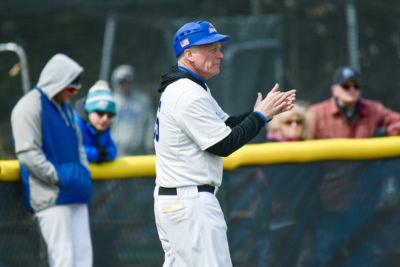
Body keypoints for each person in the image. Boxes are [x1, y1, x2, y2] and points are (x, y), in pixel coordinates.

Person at [153, 20, 296, 267]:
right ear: (189, 54)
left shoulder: (192, 87)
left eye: (219, 48)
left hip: (181, 202)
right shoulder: (187, 93)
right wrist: (260, 116)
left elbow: (227, 124)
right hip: (189, 204)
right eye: (212, 49)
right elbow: (223, 144)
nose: (220, 54)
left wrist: (262, 113)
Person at [10, 53, 93, 267]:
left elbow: (79, 147)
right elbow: (28, 153)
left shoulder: (66, 109)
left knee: (84, 258)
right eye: (70, 88)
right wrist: (57, 178)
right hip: (51, 196)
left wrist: (82, 174)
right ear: (58, 82)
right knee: (63, 259)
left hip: (75, 192)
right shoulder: (28, 107)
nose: (73, 93)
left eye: (76, 89)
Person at [307, 66, 400, 138]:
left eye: (356, 86)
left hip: (367, 162)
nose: (352, 89)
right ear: (334, 90)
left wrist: (387, 132)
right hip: (330, 162)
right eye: (346, 86)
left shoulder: (374, 109)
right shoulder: (317, 113)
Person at [110, 64, 155, 156]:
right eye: (122, 81)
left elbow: (150, 125)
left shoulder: (142, 100)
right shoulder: (110, 101)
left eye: (127, 81)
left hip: (139, 154)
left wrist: (149, 147)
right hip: (116, 155)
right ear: (116, 82)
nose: (125, 84)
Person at [74, 80, 117, 163]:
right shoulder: (74, 124)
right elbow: (71, 151)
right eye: (100, 113)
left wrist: (100, 155)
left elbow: (113, 150)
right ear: (89, 110)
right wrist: (97, 154)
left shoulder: (103, 127)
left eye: (110, 115)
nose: (105, 119)